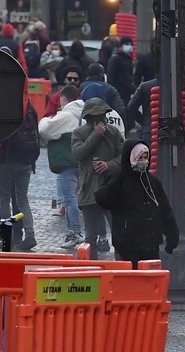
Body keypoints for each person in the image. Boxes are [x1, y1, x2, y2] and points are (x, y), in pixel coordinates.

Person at [96, 140, 179, 266]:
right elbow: (103, 199)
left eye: (146, 157)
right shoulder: (119, 179)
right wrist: (121, 176)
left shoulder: (152, 181)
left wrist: (172, 235)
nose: (144, 161)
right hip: (127, 245)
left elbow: (164, 209)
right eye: (140, 157)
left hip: (151, 244)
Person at [72, 98, 124, 260]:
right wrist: (96, 135)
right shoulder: (79, 133)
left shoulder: (113, 133)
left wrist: (109, 165)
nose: (101, 120)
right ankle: (91, 268)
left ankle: (121, 266)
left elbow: (124, 156)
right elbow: (78, 154)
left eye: (103, 115)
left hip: (110, 189)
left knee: (118, 233)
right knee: (90, 236)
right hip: (89, 190)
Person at [39, 85, 85, 249]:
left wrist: (45, 119)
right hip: (83, 162)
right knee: (85, 200)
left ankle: (74, 232)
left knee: (70, 199)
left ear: (64, 98)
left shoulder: (66, 115)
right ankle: (100, 237)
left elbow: (45, 129)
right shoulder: (84, 114)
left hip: (68, 163)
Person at [0, 102, 41, 251]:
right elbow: (37, 136)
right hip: (25, 160)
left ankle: (6, 235)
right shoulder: (30, 109)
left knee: (4, 198)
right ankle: (30, 235)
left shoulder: (5, 108)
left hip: (5, 159)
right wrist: (32, 160)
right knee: (22, 199)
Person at [80, 63, 127, 127]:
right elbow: (120, 110)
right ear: (102, 74)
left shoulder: (80, 88)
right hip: (106, 125)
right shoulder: (110, 89)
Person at [126, 77, 159, 144]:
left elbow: (130, 108)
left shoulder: (145, 86)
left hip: (149, 129)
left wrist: (143, 121)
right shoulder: (177, 86)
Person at [107, 36, 135, 106]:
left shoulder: (128, 59)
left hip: (126, 93)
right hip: (118, 93)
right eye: (127, 44)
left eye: (131, 44)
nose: (129, 46)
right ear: (121, 46)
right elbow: (111, 77)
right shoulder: (115, 59)